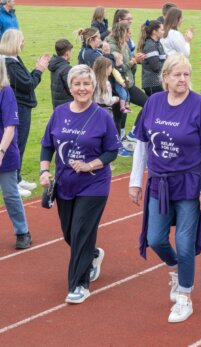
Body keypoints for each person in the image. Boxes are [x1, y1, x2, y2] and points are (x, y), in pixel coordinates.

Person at [129, 53, 201, 323]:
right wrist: (136, 181)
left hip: (189, 184)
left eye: (186, 75)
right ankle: (176, 269)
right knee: (156, 238)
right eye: (177, 75)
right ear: (165, 77)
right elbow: (142, 145)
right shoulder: (153, 103)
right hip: (159, 182)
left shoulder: (200, 105)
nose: (182, 80)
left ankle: (184, 296)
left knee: (184, 243)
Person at [39, 64, 121, 304]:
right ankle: (93, 254)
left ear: (94, 87)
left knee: (81, 231)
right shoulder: (60, 113)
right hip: (65, 184)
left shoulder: (103, 117)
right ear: (70, 87)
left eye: (87, 84)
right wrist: (44, 171)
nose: (82, 88)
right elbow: (47, 145)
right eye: (77, 84)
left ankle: (79, 285)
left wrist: (90, 165)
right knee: (70, 234)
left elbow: (112, 151)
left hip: (94, 185)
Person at [0, 29, 49, 197]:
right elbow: (28, 84)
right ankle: (13, 181)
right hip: (18, 107)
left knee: (20, 143)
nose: (23, 44)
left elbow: (26, 80)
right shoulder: (10, 64)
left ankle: (17, 177)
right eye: (21, 40)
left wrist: (35, 71)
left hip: (20, 106)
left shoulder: (13, 60)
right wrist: (39, 70)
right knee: (16, 144)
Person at [0, 54, 31, 249]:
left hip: (5, 151)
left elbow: (10, 126)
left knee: (10, 194)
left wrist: (1, 152)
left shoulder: (6, 92)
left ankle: (22, 231)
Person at [105, 22, 147, 151]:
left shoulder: (124, 44)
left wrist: (135, 60)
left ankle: (133, 133)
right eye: (128, 31)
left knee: (148, 103)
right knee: (117, 116)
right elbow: (117, 68)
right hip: (118, 86)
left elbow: (127, 64)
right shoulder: (112, 46)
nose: (130, 33)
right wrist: (133, 61)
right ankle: (116, 147)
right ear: (122, 33)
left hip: (127, 83)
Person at [137, 20, 166, 97]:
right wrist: (169, 66)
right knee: (153, 107)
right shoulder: (150, 46)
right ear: (154, 32)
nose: (164, 31)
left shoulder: (158, 43)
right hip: (153, 84)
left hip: (158, 82)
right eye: (162, 30)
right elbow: (156, 67)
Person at [48, 39, 73, 109]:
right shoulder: (66, 69)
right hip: (67, 106)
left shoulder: (55, 65)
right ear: (67, 53)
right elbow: (71, 89)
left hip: (57, 105)